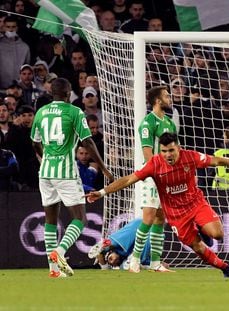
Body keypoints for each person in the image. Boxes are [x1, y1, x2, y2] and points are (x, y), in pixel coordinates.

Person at [86, 132, 229, 278]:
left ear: (178, 148)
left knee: (217, 234)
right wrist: (101, 192)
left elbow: (215, 161)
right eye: (164, 151)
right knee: (198, 247)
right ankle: (225, 268)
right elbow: (129, 179)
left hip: (195, 203)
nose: (168, 155)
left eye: (171, 150)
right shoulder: (154, 164)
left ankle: (202, 230)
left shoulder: (190, 156)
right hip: (176, 215)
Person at [30, 78, 113, 278]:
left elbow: (34, 143)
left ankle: (53, 269)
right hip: (66, 171)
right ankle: (59, 252)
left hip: (46, 172)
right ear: (68, 93)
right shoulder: (75, 112)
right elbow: (88, 142)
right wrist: (103, 168)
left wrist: (46, 159)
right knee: (80, 219)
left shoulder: (41, 112)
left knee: (50, 218)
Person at [130, 85, 177, 273]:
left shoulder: (170, 123)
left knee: (160, 218)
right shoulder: (147, 123)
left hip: (167, 177)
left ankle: (155, 263)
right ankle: (134, 260)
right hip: (152, 176)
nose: (169, 98)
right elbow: (148, 155)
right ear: (157, 100)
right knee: (148, 217)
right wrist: (159, 174)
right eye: (166, 95)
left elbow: (175, 152)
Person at [88, 218, 154, 270]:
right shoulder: (123, 263)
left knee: (117, 240)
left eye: (110, 258)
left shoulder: (116, 248)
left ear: (109, 253)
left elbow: (100, 254)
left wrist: (104, 266)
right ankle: (136, 262)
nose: (113, 261)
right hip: (149, 230)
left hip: (137, 225)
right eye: (112, 264)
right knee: (141, 258)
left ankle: (105, 245)